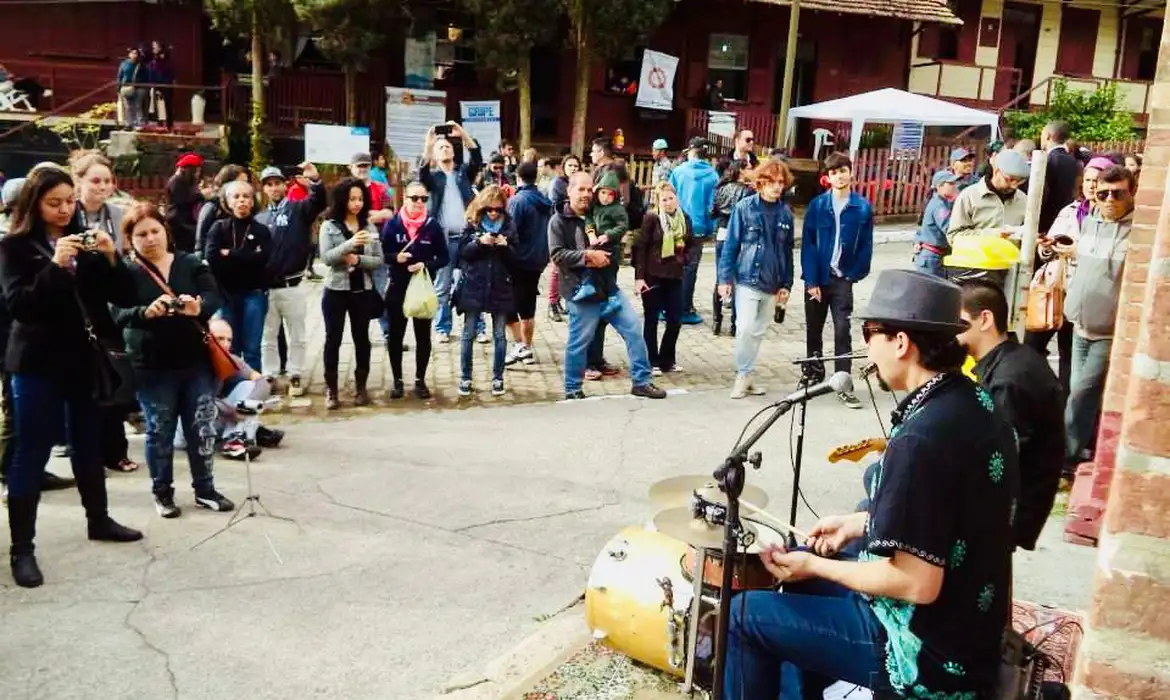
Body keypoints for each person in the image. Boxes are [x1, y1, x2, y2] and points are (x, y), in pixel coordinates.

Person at [725, 269, 1017, 700]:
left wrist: (817, 565)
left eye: (870, 332)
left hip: (928, 651)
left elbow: (917, 584)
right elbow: (946, 510)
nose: (865, 346)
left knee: (744, 614)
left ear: (901, 342)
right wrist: (859, 523)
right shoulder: (974, 401)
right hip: (971, 619)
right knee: (801, 573)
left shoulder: (921, 439)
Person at [0, 167, 145, 588]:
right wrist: (56, 266)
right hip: (37, 364)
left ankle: (98, 520)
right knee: (32, 451)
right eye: (54, 203)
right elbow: (21, 307)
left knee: (88, 443)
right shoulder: (14, 247)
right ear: (33, 203)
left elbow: (125, 295)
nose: (64, 210)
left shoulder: (86, 241)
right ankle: (22, 550)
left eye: (69, 202)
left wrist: (111, 255)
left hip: (83, 360)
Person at [112, 202, 234, 518]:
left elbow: (214, 296)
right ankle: (162, 492)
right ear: (130, 239)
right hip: (151, 365)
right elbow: (112, 313)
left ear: (165, 230)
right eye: (141, 234)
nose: (150, 239)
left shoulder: (190, 263)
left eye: (155, 231)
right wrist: (144, 312)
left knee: (201, 428)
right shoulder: (125, 272)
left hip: (196, 362)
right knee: (160, 431)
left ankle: (205, 489)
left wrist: (198, 306)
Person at [958, 280, 1064, 549]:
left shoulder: (1010, 379)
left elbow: (995, 460)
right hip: (1007, 498)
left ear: (984, 319)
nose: (951, 332)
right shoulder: (1013, 358)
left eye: (957, 323)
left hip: (1009, 509)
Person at [550, 172, 666, 401]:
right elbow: (556, 254)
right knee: (579, 342)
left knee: (633, 330)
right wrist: (587, 256)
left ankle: (642, 381)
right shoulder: (559, 220)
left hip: (609, 289)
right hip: (580, 292)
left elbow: (627, 221)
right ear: (569, 191)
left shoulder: (603, 210)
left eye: (588, 189)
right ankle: (573, 389)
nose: (585, 194)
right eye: (580, 189)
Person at [71, 152, 140, 474]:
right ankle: (82, 452)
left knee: (115, 379)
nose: (102, 187)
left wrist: (110, 252)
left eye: (107, 181)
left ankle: (115, 451)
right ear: (79, 182)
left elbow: (128, 261)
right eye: (94, 181)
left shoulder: (118, 214)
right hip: (76, 305)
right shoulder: (69, 214)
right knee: (82, 384)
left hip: (109, 305)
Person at [1063, 165, 1135, 473]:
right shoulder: (1092, 222)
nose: (1108, 199)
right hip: (1080, 324)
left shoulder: (1136, 232)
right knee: (1080, 391)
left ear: (1130, 192)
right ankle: (1080, 448)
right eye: (1102, 193)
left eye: (1116, 193)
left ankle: (1065, 455)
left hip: (1108, 330)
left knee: (1081, 392)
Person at [717, 160, 795, 399]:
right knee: (744, 328)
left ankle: (748, 374)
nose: (777, 187)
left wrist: (786, 284)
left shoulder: (785, 213)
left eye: (781, 182)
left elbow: (788, 251)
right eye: (772, 181)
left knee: (758, 331)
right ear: (761, 182)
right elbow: (731, 245)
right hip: (747, 278)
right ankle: (743, 374)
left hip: (773, 282)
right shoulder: (745, 208)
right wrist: (724, 279)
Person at [801, 152, 873, 407]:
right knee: (814, 328)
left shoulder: (862, 207)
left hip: (842, 279)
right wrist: (811, 281)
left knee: (843, 330)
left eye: (843, 171)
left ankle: (843, 381)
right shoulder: (818, 206)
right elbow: (808, 245)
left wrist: (854, 273)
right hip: (817, 277)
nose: (839, 176)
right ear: (827, 177)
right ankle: (813, 373)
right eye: (834, 172)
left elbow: (866, 244)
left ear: (851, 173)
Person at [256, 162, 326, 394]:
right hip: (267, 287)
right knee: (268, 335)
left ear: (285, 186)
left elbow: (318, 202)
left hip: (293, 283)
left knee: (297, 333)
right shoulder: (260, 218)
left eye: (277, 183)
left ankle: (295, 373)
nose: (274, 188)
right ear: (264, 189)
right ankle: (270, 374)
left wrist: (315, 181)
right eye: (269, 185)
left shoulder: (298, 210)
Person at [319, 177, 385, 409]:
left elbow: (378, 260)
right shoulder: (330, 226)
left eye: (360, 199)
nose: (356, 204)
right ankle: (332, 390)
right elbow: (326, 257)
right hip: (336, 290)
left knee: (362, 339)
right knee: (333, 339)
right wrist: (349, 244)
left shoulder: (369, 226)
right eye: (351, 199)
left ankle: (361, 388)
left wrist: (358, 259)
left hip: (361, 290)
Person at [381, 181, 449, 400]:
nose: (419, 203)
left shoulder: (432, 226)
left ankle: (420, 380)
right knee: (396, 335)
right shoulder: (392, 225)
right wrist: (396, 258)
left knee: (423, 335)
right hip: (398, 285)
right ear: (405, 199)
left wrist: (425, 265)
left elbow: (444, 257)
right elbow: (382, 255)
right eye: (414, 198)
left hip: (422, 287)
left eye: (423, 199)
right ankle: (397, 380)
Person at [419, 122, 483, 344]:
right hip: (443, 239)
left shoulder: (463, 173)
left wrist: (463, 134)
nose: (445, 148)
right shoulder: (434, 178)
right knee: (443, 287)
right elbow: (421, 173)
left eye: (447, 146)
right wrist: (428, 145)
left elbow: (476, 159)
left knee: (473, 282)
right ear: (435, 155)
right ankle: (442, 327)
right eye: (440, 147)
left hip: (467, 236)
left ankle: (478, 327)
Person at [203, 179, 271, 371]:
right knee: (227, 347)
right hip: (224, 294)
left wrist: (230, 254)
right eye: (237, 196)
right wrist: (248, 256)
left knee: (251, 348)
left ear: (252, 200)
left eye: (246, 196)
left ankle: (253, 389)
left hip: (253, 293)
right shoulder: (218, 228)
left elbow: (263, 260)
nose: (242, 200)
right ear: (228, 201)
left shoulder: (261, 231)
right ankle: (228, 388)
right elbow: (212, 258)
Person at [456, 186, 516, 397]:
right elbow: (462, 253)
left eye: (497, 210)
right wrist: (478, 243)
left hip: (500, 284)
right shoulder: (472, 223)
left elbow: (515, 259)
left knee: (500, 335)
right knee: (468, 333)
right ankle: (465, 376)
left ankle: (498, 377)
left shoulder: (509, 224)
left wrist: (505, 245)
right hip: (474, 283)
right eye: (489, 209)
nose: (493, 213)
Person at [635, 182, 694, 375]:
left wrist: (684, 258)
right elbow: (641, 247)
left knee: (675, 319)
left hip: (675, 274)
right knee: (651, 319)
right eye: (664, 199)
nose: (668, 203)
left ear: (676, 198)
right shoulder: (652, 218)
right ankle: (651, 360)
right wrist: (639, 277)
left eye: (670, 198)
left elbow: (691, 243)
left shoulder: (684, 218)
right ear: (658, 201)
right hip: (653, 274)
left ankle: (667, 359)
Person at [504, 162, 551, 367]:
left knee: (508, 305)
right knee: (528, 305)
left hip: (519, 259)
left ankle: (520, 346)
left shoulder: (518, 201)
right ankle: (527, 347)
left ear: (518, 177)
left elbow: (510, 231)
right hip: (539, 258)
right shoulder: (545, 201)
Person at [669, 137, 719, 325]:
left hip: (677, 224)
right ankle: (685, 307)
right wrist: (710, 227)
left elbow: (668, 195)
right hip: (698, 227)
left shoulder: (678, 172)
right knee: (690, 269)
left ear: (690, 151)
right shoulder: (712, 175)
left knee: (672, 265)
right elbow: (712, 205)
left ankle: (668, 306)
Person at [947, 149, 1030, 240]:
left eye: (1019, 181)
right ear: (996, 171)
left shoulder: (1023, 200)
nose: (1014, 186)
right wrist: (994, 234)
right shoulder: (969, 196)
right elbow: (954, 236)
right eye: (1010, 179)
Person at [711, 160, 752, 336]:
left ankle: (716, 320)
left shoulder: (721, 188)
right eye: (749, 167)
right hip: (737, 235)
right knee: (736, 280)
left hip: (721, 232)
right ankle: (735, 323)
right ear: (741, 171)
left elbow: (712, 212)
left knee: (721, 278)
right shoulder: (746, 191)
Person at [913, 170, 961, 277]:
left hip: (934, 256)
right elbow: (949, 228)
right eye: (951, 184)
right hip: (932, 258)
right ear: (940, 186)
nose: (955, 186)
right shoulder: (939, 206)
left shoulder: (942, 202)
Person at [1039, 120, 1081, 235]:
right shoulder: (1073, 161)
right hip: (1064, 222)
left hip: (1044, 222)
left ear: (1048, 136)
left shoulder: (1047, 160)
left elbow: (1042, 195)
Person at [165, 153, 205, 253]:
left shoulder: (184, 182)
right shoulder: (176, 181)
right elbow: (182, 200)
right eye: (197, 170)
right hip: (179, 222)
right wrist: (201, 195)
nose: (198, 173)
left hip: (186, 221)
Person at [347, 153, 394, 225]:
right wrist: (375, 214)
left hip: (376, 231)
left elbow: (389, 213)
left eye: (365, 166)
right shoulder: (344, 188)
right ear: (350, 167)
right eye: (359, 166)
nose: (363, 169)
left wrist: (364, 216)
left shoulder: (381, 188)